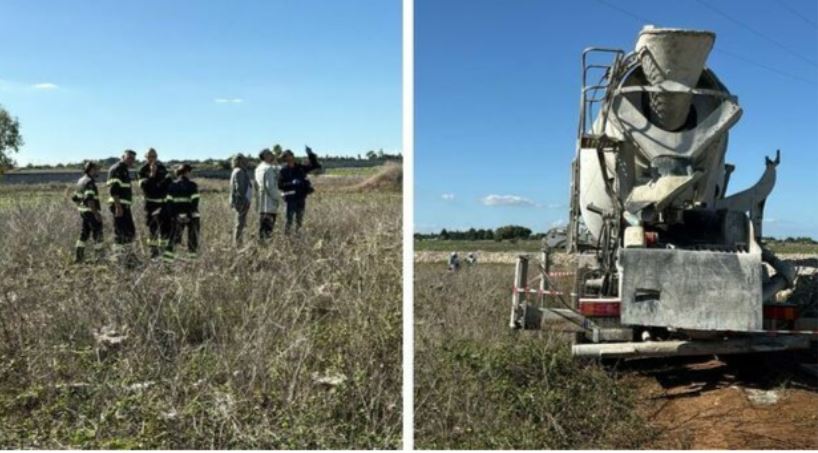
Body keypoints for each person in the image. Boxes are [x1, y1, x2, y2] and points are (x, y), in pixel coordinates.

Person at [278, 146, 321, 234]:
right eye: (287, 156)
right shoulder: (283, 170)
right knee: (289, 220)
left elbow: (315, 166)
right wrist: (292, 183)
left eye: (290, 155)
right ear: (284, 158)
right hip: (290, 198)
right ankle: (287, 237)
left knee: (299, 220)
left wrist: (310, 154)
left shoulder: (300, 167)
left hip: (301, 197)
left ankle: (298, 236)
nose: (290, 157)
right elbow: (280, 185)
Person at [138, 148, 172, 258]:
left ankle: (164, 252)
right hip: (151, 205)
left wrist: (159, 187)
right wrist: (152, 174)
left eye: (154, 156)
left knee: (165, 229)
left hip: (163, 204)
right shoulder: (142, 170)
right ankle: (154, 253)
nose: (152, 158)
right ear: (146, 157)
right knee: (153, 230)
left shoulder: (162, 168)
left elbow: (169, 183)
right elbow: (145, 186)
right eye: (149, 156)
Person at [164, 164, 200, 262]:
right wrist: (188, 215)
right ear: (186, 172)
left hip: (177, 217)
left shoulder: (172, 185)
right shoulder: (192, 185)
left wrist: (175, 216)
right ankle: (192, 262)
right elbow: (195, 202)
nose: (191, 174)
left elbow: (169, 203)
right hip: (192, 217)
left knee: (173, 239)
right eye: (190, 172)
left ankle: (167, 262)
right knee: (192, 239)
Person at [107, 149, 137, 263]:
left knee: (129, 231)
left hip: (124, 205)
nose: (131, 160)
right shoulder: (117, 169)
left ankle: (129, 256)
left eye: (133, 159)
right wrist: (118, 207)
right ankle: (118, 258)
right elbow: (113, 190)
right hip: (119, 205)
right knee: (120, 232)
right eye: (129, 158)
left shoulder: (124, 169)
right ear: (123, 157)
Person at [72, 161, 104, 263]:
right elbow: (90, 199)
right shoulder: (89, 182)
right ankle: (99, 258)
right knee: (98, 234)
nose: (98, 171)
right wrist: (96, 213)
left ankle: (79, 257)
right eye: (97, 169)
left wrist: (80, 208)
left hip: (84, 212)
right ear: (92, 170)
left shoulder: (80, 181)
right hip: (91, 212)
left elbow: (75, 198)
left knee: (84, 234)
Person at [254, 148, 281, 241]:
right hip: (270, 201)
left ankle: (262, 244)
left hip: (261, 200)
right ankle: (266, 244)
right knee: (268, 227)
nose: (272, 155)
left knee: (263, 225)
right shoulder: (268, 168)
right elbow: (270, 186)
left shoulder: (258, 168)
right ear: (265, 156)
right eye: (270, 153)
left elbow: (256, 185)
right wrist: (277, 198)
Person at [229, 153, 253, 247]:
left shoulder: (237, 170)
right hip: (241, 201)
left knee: (240, 223)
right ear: (240, 161)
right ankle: (238, 244)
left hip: (241, 200)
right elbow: (240, 188)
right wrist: (245, 200)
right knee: (240, 223)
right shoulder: (239, 171)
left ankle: (238, 243)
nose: (246, 161)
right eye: (244, 159)